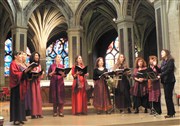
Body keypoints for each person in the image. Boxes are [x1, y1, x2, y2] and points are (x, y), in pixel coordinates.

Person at [9, 51, 26, 125]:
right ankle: (16, 119)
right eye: (19, 56)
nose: (21, 57)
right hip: (16, 86)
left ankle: (20, 118)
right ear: (15, 56)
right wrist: (23, 73)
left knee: (20, 102)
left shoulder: (20, 64)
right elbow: (14, 73)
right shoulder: (13, 63)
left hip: (20, 85)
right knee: (16, 102)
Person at [158, 49, 176, 118]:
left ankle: (171, 113)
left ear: (166, 53)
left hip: (170, 80)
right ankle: (171, 112)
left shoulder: (170, 60)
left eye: (162, 52)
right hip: (165, 81)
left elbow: (169, 70)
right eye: (161, 52)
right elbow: (160, 70)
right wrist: (156, 66)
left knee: (168, 97)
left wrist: (160, 75)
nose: (161, 53)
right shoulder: (163, 62)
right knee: (167, 97)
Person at [29, 52, 44, 119]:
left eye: (38, 56)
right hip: (32, 82)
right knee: (33, 97)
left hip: (37, 82)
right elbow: (28, 73)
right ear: (33, 57)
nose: (37, 57)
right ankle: (33, 113)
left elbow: (41, 76)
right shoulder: (30, 64)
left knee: (38, 97)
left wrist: (41, 73)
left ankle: (39, 113)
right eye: (36, 55)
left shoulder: (39, 65)